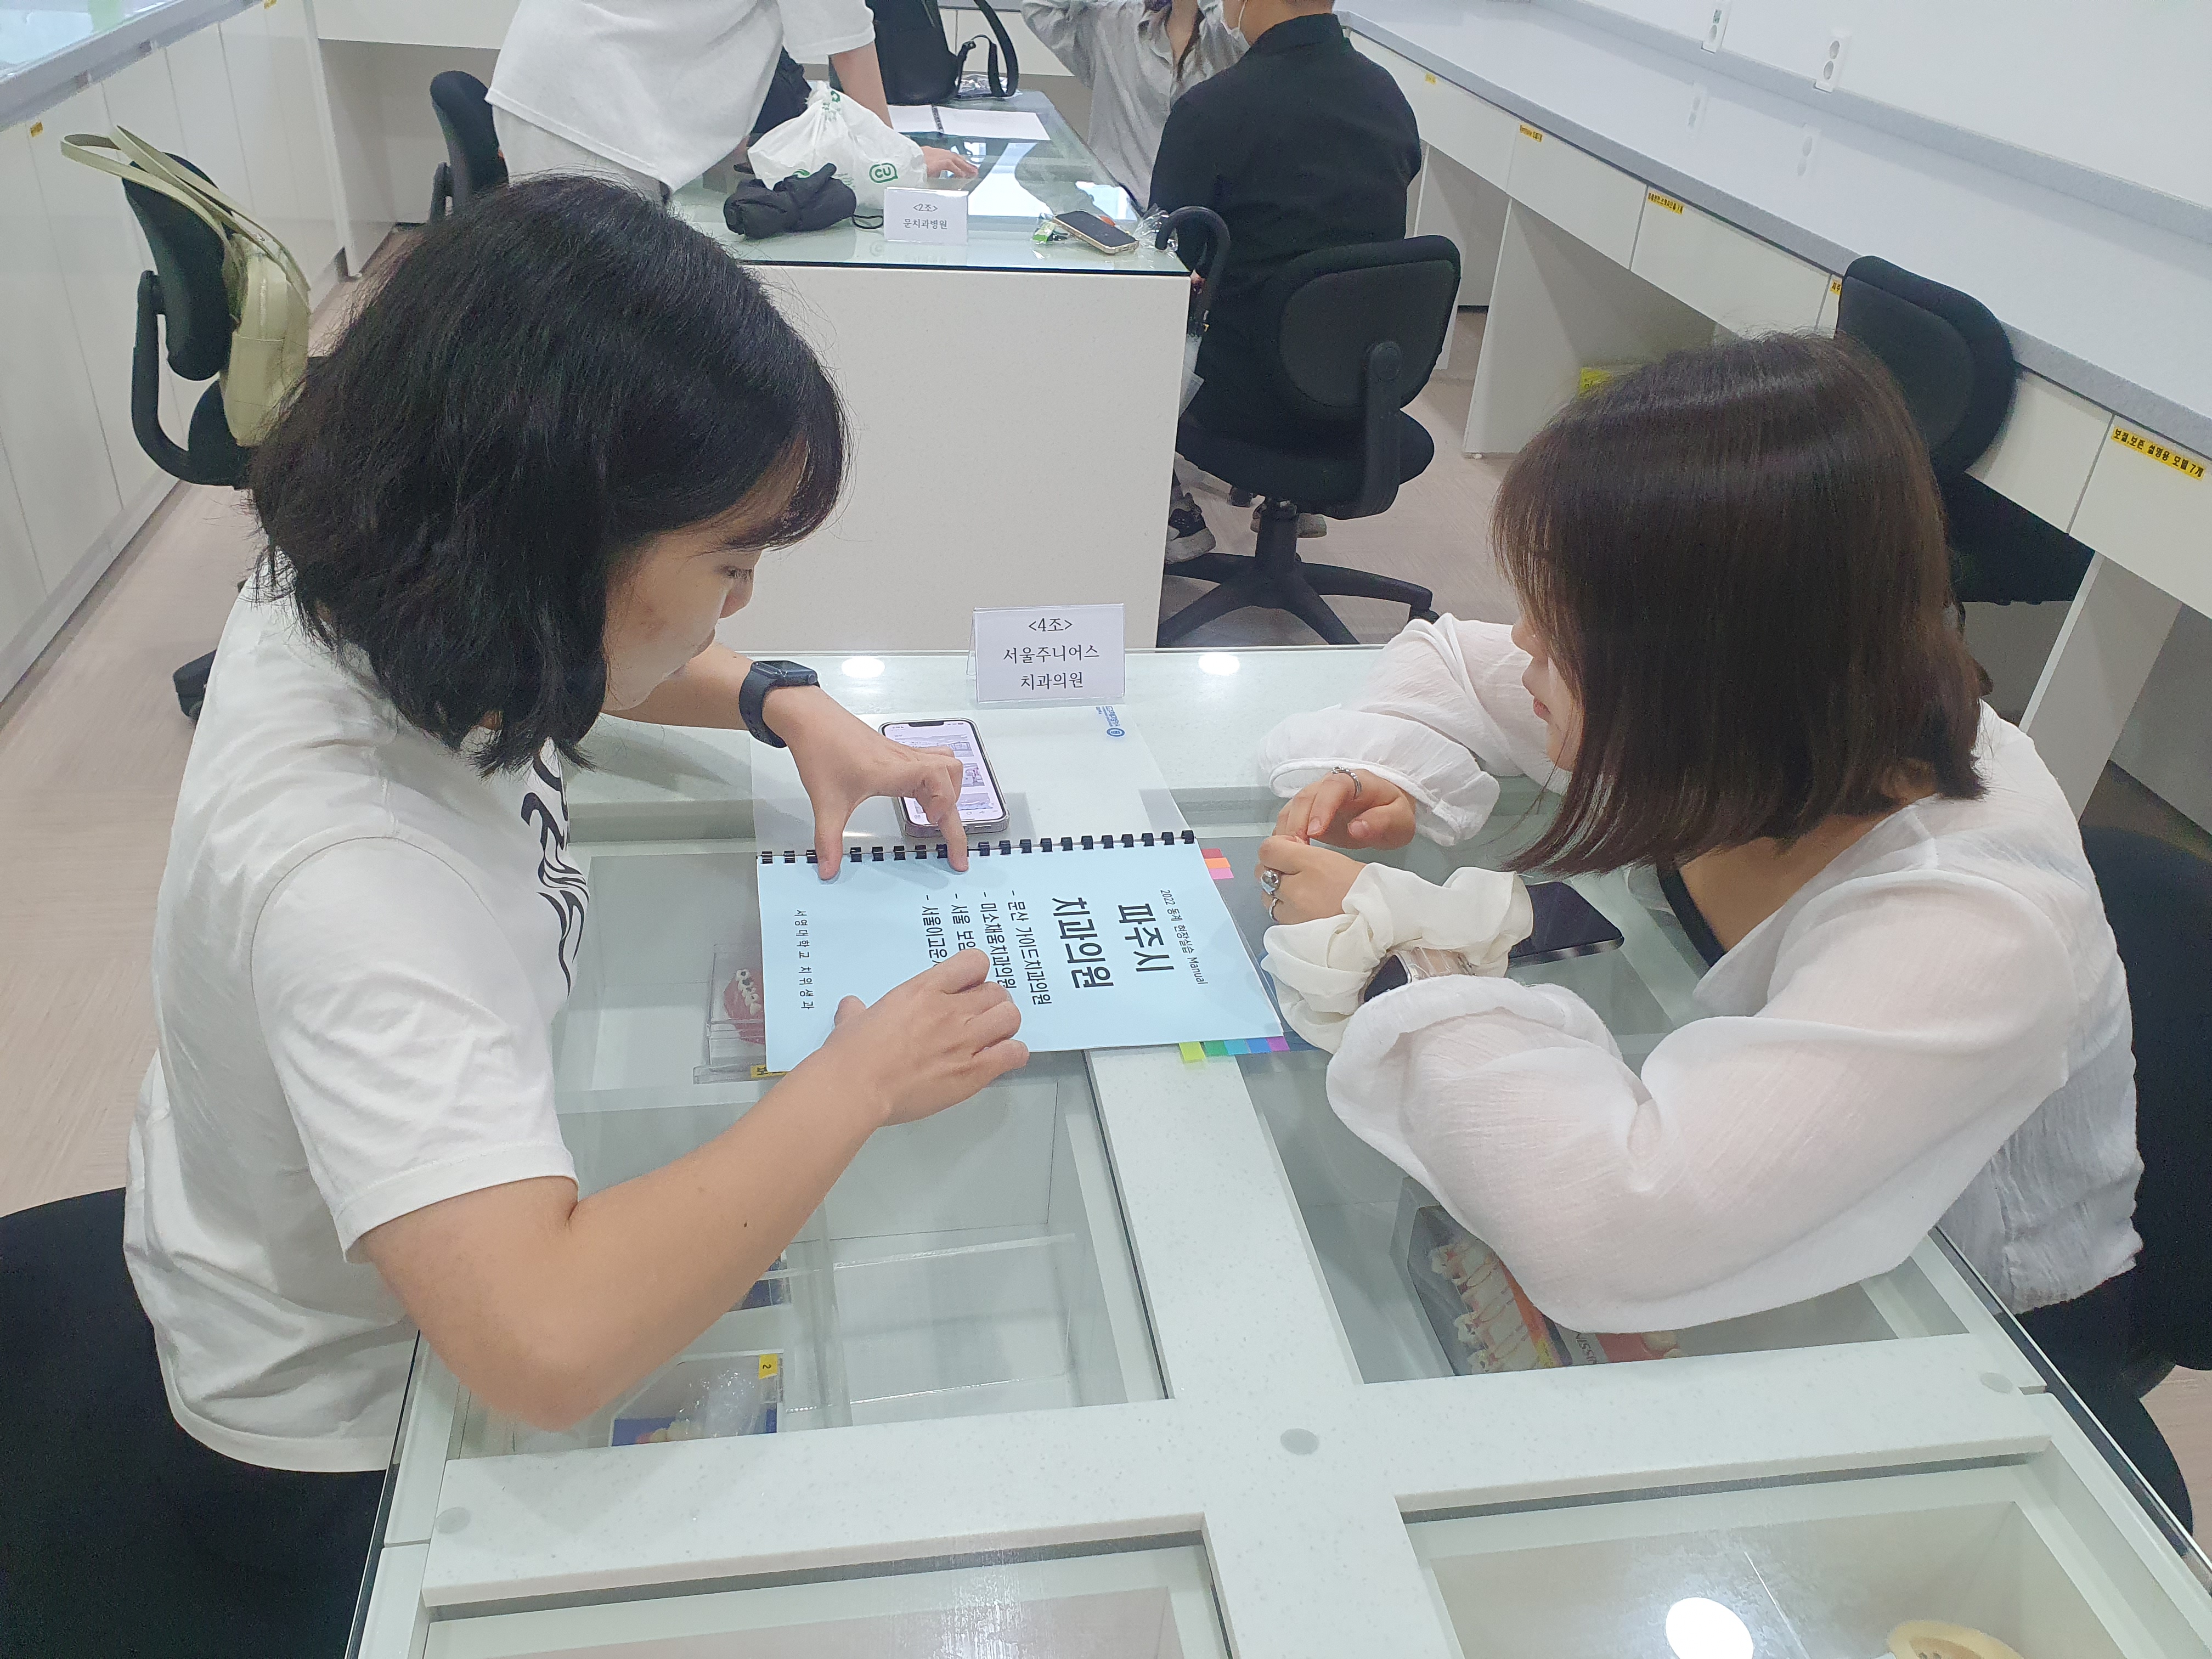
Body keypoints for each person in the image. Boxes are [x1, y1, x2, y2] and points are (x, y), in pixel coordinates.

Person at [116, 177, 1029, 1648]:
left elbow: (584, 642)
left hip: (312, 1235)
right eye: (729, 565)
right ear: (550, 546)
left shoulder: (366, 565)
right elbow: (544, 1345)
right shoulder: (355, 877)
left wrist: (782, 704)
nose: (736, 609)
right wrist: (856, 1082)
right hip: (345, 1443)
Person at [1250, 335, 2183, 1523]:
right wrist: (1384, 766)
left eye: (1562, 625)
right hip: (1770, 1219)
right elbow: (1445, 659)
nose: (1523, 644)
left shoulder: (1974, 920)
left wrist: (1389, 947)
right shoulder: (1772, 722)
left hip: (1968, 1325)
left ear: (1708, 662)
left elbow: (1609, 1225)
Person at [1149, 0, 1419, 558]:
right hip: (1362, 393)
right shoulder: (1388, 97)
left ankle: (1168, 516)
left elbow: (1167, 258)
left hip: (1243, 402)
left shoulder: (1212, 109)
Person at [488, 0, 977, 198]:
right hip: (587, 104)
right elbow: (848, 42)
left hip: (557, 75)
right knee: (583, 322)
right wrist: (898, 159)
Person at [1021, 0, 1243, 208]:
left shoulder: (1230, 41)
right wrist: (1087, 215)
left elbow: (1249, 35)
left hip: (1206, 219)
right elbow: (1038, 6)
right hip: (1120, 216)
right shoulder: (1115, 22)